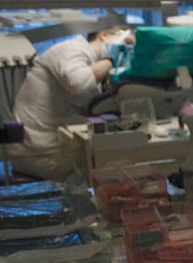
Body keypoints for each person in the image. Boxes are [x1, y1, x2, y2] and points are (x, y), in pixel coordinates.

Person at [7, 23, 132, 179]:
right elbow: (78, 83)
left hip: (49, 148)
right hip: (41, 155)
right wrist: (112, 59)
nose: (129, 50)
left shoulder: (91, 64)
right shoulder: (70, 50)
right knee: (121, 166)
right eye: (126, 42)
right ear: (104, 34)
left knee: (122, 157)